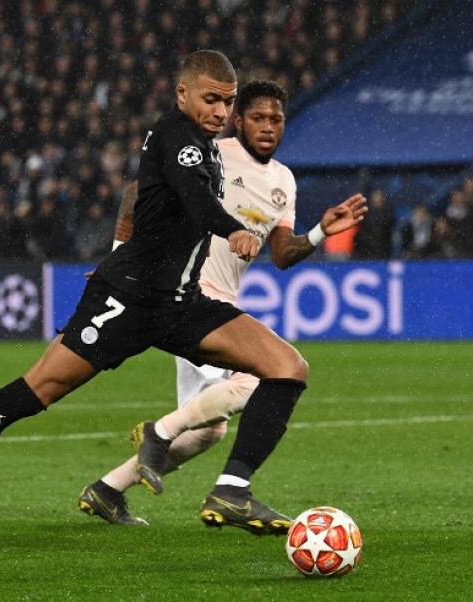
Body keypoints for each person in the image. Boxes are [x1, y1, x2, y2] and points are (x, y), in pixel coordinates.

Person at [0, 50, 311, 557]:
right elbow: (196, 201)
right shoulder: (178, 138)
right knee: (34, 391)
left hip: (181, 303)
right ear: (183, 94)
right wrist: (232, 229)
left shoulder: (212, 147)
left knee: (287, 366)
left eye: (227, 102)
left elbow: (153, 201)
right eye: (211, 99)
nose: (219, 110)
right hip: (125, 299)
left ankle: (233, 490)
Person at [77, 80, 366, 528]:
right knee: (260, 379)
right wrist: (119, 259)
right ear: (238, 121)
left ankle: (107, 490)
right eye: (258, 118)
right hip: (185, 296)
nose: (268, 127)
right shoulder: (214, 153)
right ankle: (169, 439)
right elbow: (138, 193)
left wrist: (322, 231)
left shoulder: (284, 181)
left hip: (217, 303)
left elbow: (283, 253)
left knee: (210, 430)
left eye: (276, 119)